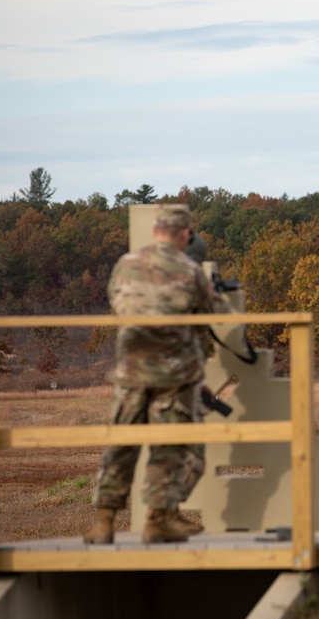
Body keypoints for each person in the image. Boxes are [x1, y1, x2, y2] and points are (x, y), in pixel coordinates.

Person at [83, 204, 219, 544]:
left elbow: (119, 304)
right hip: (173, 377)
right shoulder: (189, 271)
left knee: (121, 444)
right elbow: (203, 321)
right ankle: (157, 520)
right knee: (166, 447)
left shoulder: (125, 266)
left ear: (156, 230)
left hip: (130, 371)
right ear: (185, 234)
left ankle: (103, 523)